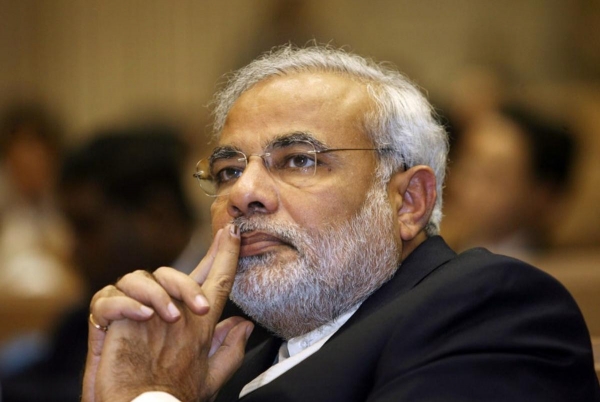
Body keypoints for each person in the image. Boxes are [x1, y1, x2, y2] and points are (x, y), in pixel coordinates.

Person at [82, 45, 600, 402]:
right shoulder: (227, 355)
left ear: (409, 202)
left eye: (298, 160)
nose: (242, 193)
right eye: (228, 171)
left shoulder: (490, 311)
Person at [1, 126, 206, 402]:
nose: (73, 250)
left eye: (87, 227)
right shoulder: (82, 316)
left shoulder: (227, 306)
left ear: (157, 215)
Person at [442, 105, 577, 260]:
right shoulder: (442, 250)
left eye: (490, 176)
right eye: (465, 166)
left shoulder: (552, 268)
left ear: (542, 195)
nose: (460, 185)